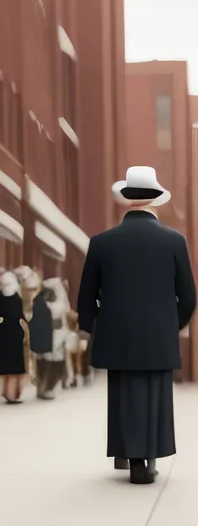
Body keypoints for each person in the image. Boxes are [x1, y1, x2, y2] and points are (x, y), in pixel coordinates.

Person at [76, 166, 197, 484]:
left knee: (123, 395)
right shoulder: (174, 241)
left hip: (117, 335)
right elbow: (188, 295)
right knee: (155, 397)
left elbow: (86, 295)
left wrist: (93, 328)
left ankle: (128, 455)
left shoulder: (102, 242)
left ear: (125, 199)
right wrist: (174, 325)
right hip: (158, 336)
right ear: (156, 199)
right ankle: (150, 456)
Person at [0, 270, 29, 402]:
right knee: (14, 368)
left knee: (7, 368)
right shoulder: (16, 299)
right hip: (14, 337)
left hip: (2, 337)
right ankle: (12, 394)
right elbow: (20, 317)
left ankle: (6, 391)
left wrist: (0, 325)